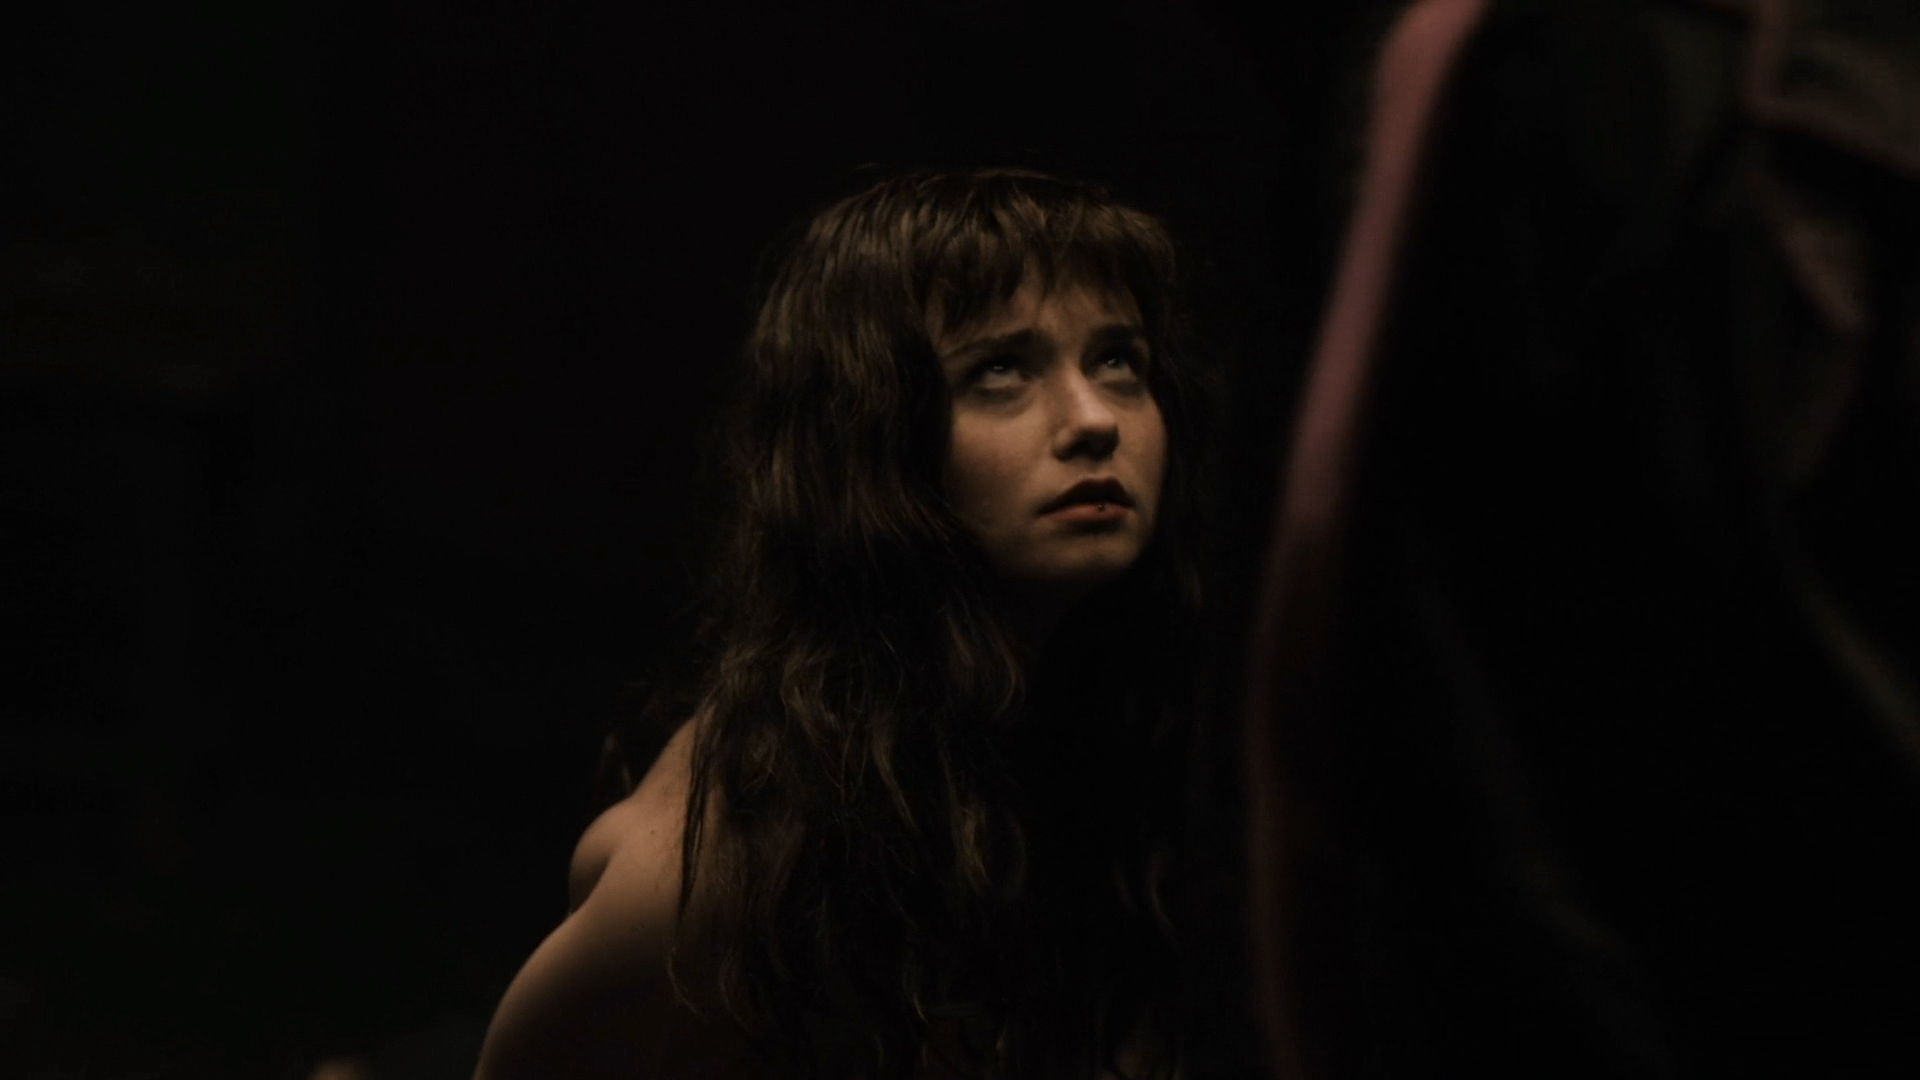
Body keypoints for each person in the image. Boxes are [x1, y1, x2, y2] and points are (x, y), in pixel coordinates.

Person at [473, 169, 1218, 1080]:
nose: (1095, 419)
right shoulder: (743, 856)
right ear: (875, 437)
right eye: (999, 371)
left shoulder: (1122, 726)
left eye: (1117, 361)